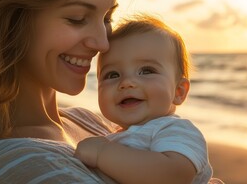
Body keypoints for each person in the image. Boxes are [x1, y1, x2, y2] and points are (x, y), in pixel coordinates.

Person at [0, 0, 145, 182]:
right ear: (12, 17)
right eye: (77, 18)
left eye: (107, 18)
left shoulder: (86, 120)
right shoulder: (23, 163)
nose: (102, 43)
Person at [74, 16, 213, 184]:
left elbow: (173, 176)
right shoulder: (115, 137)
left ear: (179, 91)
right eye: (112, 75)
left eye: (146, 71)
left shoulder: (175, 130)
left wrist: (102, 153)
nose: (126, 83)